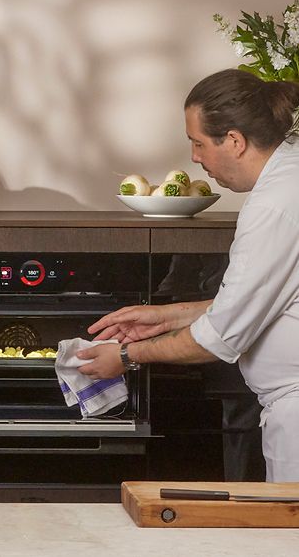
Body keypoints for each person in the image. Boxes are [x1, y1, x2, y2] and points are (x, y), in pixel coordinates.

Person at [76, 68, 299, 482]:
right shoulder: (291, 177)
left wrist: (125, 357)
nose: (195, 158)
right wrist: (165, 316)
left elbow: (220, 338)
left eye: (197, 143)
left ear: (234, 140)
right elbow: (266, 300)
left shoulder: (274, 206)